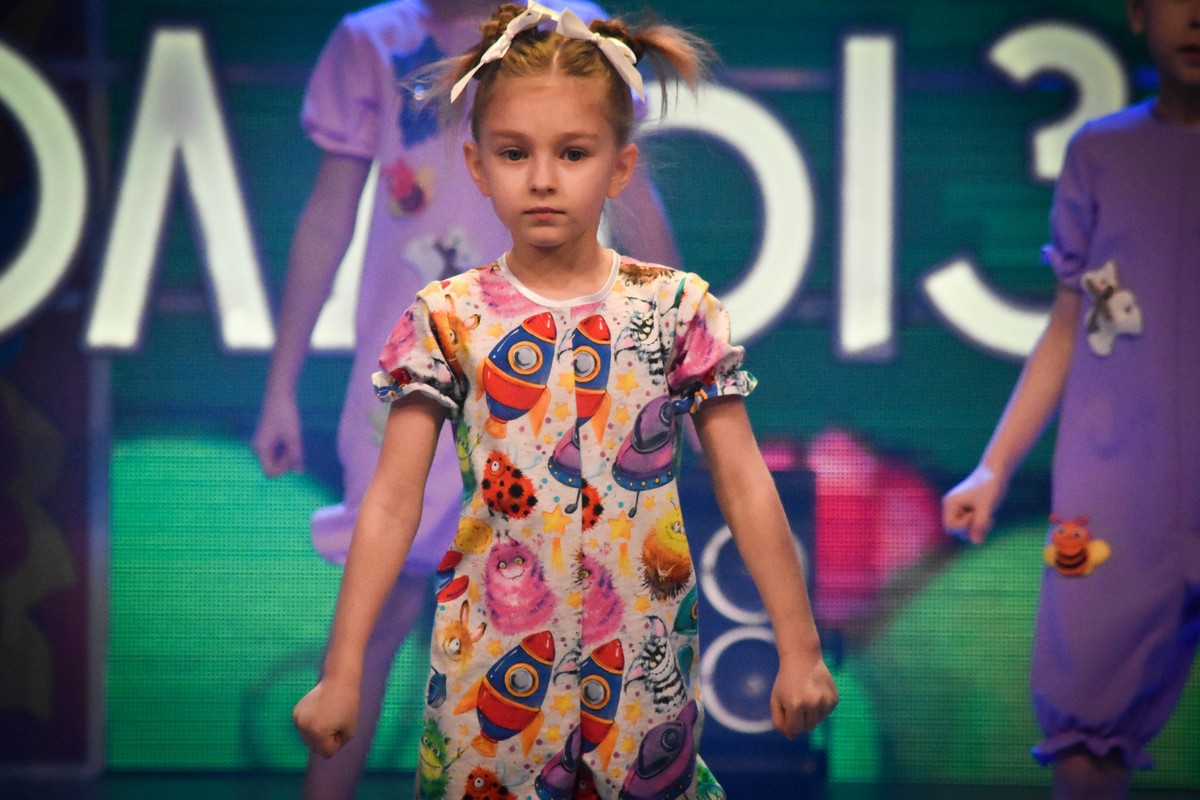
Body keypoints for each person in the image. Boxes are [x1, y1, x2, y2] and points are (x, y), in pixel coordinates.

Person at [292, 3, 838, 797]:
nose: (543, 179)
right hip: (490, 692)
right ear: (477, 166)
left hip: (643, 684)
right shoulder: (446, 316)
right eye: (514, 153)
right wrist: (342, 674)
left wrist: (801, 648)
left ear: (620, 168)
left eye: (574, 153)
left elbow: (745, 482)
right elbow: (391, 502)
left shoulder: (676, 310)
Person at [251, 1, 677, 796]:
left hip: (554, 380)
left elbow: (636, 197)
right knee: (376, 612)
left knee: (546, 624)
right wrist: (280, 386)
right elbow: (326, 218)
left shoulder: (571, 30)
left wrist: (670, 361)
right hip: (411, 374)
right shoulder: (371, 42)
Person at [942, 2, 1200, 798]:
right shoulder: (1102, 152)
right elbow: (1067, 327)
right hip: (1117, 485)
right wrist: (993, 467)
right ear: (1138, 13)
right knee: (1087, 739)